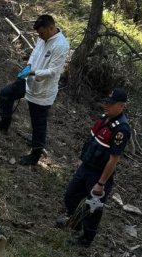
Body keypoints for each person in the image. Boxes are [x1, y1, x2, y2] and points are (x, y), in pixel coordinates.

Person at [0, 14, 70, 166]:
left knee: (38, 123)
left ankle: (35, 155)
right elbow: (35, 53)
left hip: (43, 91)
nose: (40, 37)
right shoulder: (42, 38)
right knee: (6, 94)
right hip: (28, 80)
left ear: (51, 28)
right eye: (39, 34)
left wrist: (33, 72)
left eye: (42, 33)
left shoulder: (61, 45)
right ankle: (4, 123)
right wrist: (28, 66)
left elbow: (53, 71)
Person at [57, 88, 131, 247]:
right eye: (106, 102)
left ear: (121, 106)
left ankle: (86, 239)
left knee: (93, 208)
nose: (106, 106)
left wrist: (101, 183)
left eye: (110, 104)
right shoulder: (104, 118)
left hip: (99, 174)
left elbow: (113, 159)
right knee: (71, 195)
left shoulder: (121, 129)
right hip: (86, 167)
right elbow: (92, 142)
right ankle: (74, 222)